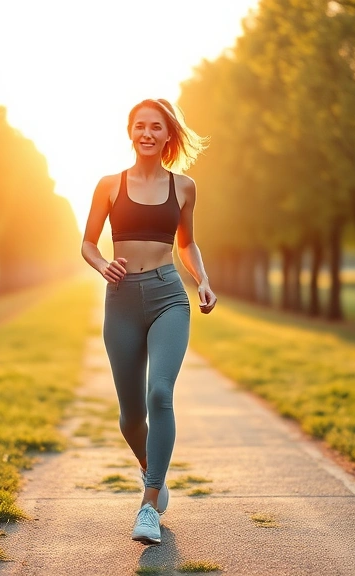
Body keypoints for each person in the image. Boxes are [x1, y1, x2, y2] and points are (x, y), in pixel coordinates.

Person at [81, 98, 216, 545]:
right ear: (130, 132)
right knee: (130, 417)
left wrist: (202, 280)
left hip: (167, 297)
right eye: (139, 125)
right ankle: (151, 469)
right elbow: (88, 244)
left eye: (156, 127)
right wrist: (103, 266)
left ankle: (148, 506)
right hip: (120, 300)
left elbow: (187, 243)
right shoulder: (108, 185)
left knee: (160, 392)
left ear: (168, 135)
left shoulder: (185, 187)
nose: (147, 133)